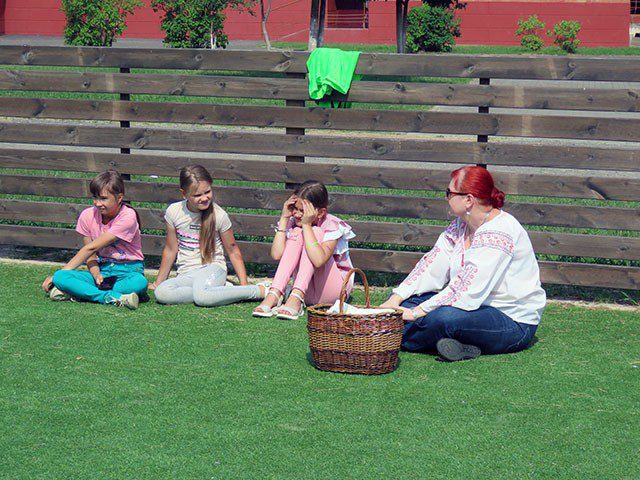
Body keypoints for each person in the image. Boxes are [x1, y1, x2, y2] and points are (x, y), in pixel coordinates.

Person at [381, 166, 546, 362]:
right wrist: (396, 299)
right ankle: (459, 345)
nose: (446, 198)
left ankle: (388, 337)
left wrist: (416, 313)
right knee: (409, 301)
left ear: (468, 200)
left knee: (443, 319)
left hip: (511, 320)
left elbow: (468, 288)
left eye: (449, 193)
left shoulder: (500, 231)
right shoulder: (460, 225)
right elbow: (430, 265)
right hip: (471, 307)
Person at [151, 165, 266, 306]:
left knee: (202, 298)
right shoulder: (174, 211)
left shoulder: (219, 215)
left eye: (207, 192)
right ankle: (219, 291)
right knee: (162, 293)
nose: (204, 198)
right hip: (187, 274)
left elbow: (233, 251)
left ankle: (259, 290)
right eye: (197, 195)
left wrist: (244, 285)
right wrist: (158, 282)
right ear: (184, 194)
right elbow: (170, 249)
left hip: (212, 269)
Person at [41, 170, 147, 309]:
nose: (97, 203)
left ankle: (80, 293)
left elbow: (91, 247)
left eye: (103, 198)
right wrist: (96, 275)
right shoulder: (87, 216)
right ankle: (110, 297)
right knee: (61, 277)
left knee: (139, 283)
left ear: (119, 197)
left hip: (128, 271)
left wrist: (57, 276)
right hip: (101, 270)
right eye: (95, 198)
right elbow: (91, 256)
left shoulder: (128, 217)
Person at [253, 180, 356, 320]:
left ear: (321, 212)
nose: (296, 214)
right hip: (307, 291)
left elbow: (319, 261)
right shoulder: (292, 222)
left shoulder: (331, 224)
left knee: (314, 231)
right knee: (297, 231)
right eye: (295, 208)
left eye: (303, 211)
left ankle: (296, 297)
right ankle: (275, 294)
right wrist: (284, 218)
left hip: (333, 291)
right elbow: (276, 254)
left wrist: (307, 225)